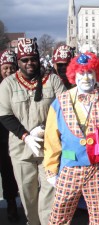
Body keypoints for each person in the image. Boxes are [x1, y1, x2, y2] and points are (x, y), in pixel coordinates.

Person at [43, 52, 99, 224]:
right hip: (69, 168)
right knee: (59, 216)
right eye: (81, 73)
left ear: (96, 74)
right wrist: (51, 169)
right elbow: (51, 139)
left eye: (89, 72)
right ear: (73, 74)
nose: (85, 77)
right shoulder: (60, 101)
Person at [0, 38, 66, 225]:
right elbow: (4, 115)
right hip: (21, 150)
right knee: (28, 194)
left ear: (38, 58)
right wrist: (26, 136)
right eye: (25, 60)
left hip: (49, 149)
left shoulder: (52, 80)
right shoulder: (8, 84)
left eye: (33, 59)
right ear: (18, 62)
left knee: (50, 194)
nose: (30, 63)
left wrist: (45, 128)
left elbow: (65, 108)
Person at [0, 49, 19, 222]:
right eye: (5, 68)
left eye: (11, 67)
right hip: (1, 136)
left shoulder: (18, 84)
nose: (8, 71)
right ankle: (11, 202)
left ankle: (14, 201)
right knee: (6, 172)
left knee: (13, 172)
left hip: (15, 135)